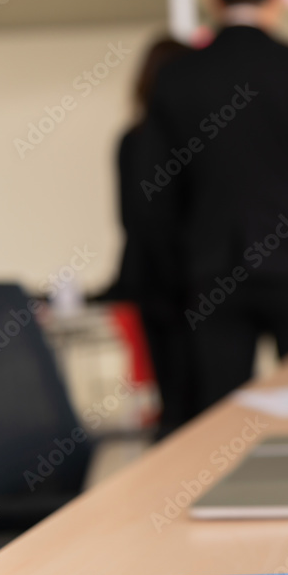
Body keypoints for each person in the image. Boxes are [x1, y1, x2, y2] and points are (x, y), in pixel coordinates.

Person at [141, 0, 288, 414]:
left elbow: (156, 193)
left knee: (218, 424)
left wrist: (177, 275)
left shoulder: (177, 78)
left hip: (211, 273)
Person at [103, 37, 195, 435]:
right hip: (186, 286)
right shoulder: (196, 139)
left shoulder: (131, 140)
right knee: (199, 403)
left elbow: (129, 218)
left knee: (170, 405)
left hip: (149, 285)